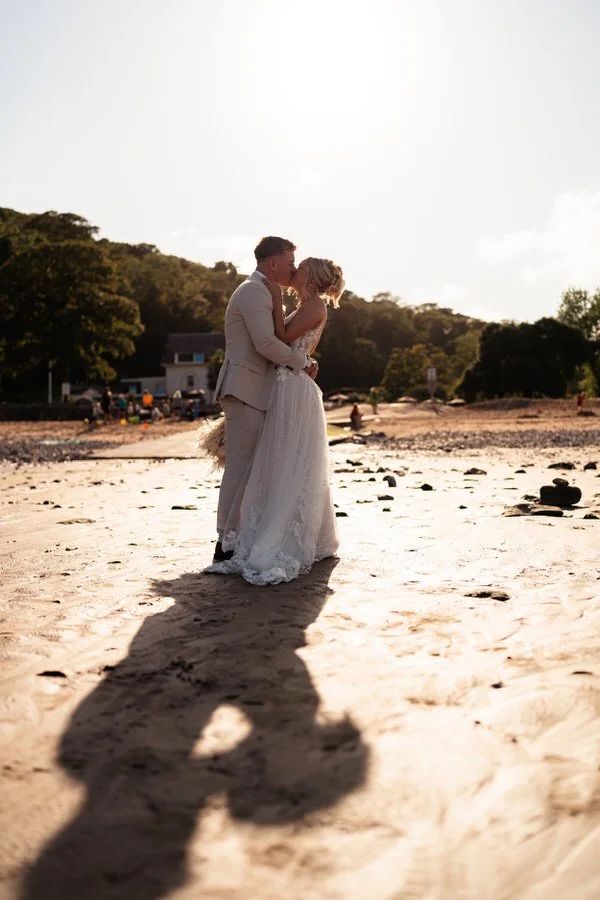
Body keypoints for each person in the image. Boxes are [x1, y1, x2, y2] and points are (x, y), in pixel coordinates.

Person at [207, 257, 344, 585]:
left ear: (311, 276)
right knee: (277, 462)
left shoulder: (315, 307)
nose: (295, 269)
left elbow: (278, 338)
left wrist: (277, 299)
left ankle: (279, 536)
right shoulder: (305, 304)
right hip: (284, 384)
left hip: (293, 387)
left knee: (288, 462)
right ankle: (255, 532)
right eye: (292, 263)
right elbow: (276, 339)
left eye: (302, 266)